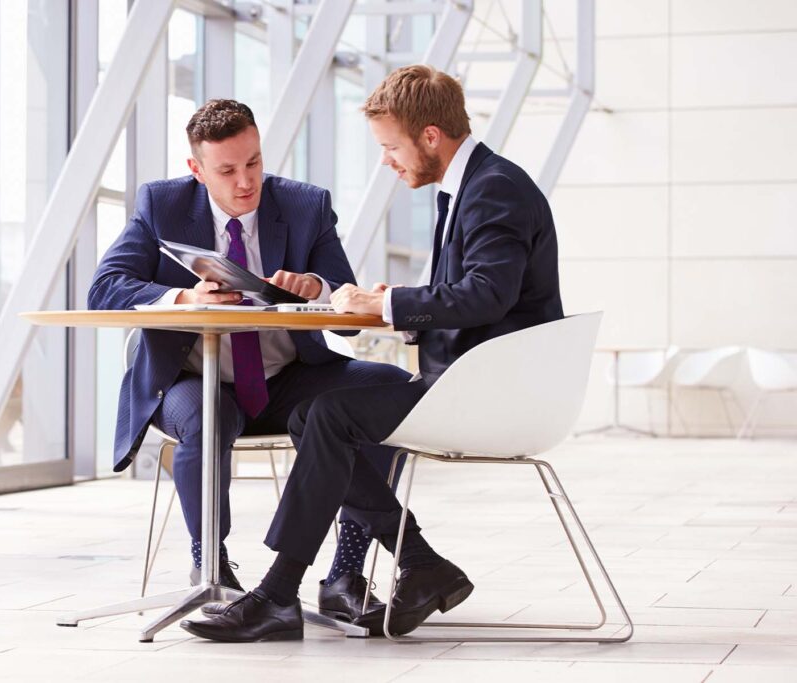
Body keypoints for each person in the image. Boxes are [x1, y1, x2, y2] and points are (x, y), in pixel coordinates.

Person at [180, 65, 564, 643]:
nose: (388, 160)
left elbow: (488, 295)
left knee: (329, 414)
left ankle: (280, 594)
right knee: (318, 414)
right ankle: (417, 563)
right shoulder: (474, 186)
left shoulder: (494, 189)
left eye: (391, 147)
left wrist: (388, 307)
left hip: (494, 393)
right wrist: (389, 304)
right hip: (481, 381)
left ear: (430, 137)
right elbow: (479, 296)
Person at [88, 99, 410, 623]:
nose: (246, 181)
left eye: (254, 163)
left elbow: (348, 313)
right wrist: (185, 298)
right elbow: (105, 289)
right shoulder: (162, 204)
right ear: (197, 170)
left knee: (384, 392)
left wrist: (318, 289)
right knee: (207, 418)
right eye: (228, 170)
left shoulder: (305, 205)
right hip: (194, 380)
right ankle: (210, 568)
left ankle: (346, 573)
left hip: (289, 380)